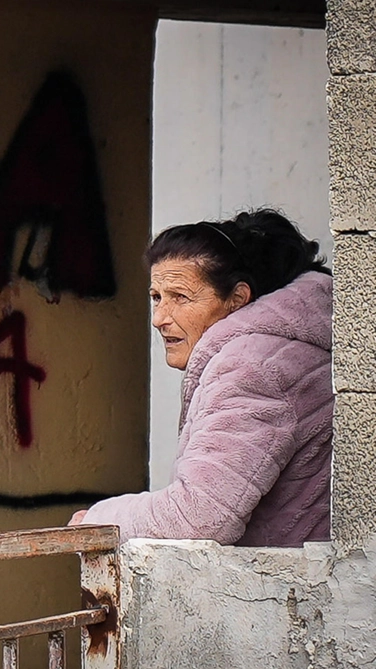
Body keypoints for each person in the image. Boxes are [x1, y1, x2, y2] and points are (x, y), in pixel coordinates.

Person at [72, 209, 332, 546]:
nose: (160, 318)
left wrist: (96, 520)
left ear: (237, 299)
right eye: (156, 297)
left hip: (279, 593)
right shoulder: (291, 350)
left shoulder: (251, 367)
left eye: (180, 297)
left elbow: (200, 517)